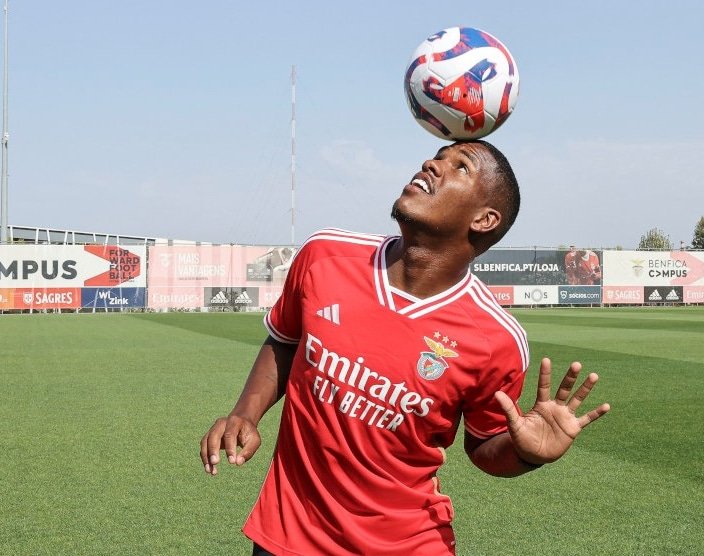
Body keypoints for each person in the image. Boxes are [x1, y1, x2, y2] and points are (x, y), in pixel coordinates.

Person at [200, 140, 610, 555]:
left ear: (485, 219)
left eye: (460, 167)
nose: (431, 164)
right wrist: (245, 413)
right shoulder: (324, 254)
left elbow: (484, 446)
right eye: (437, 156)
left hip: (407, 544)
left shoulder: (497, 339)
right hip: (288, 536)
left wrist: (527, 453)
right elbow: (285, 341)